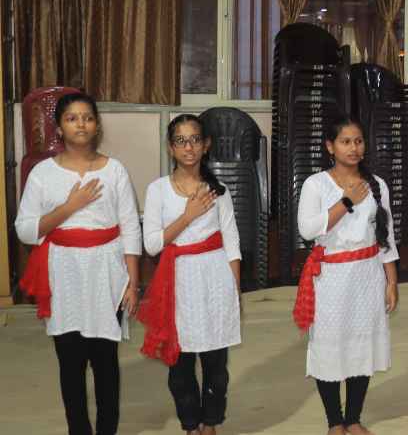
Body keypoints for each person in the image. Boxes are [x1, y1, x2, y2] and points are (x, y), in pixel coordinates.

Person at [16, 92, 143, 435]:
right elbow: (25, 229)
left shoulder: (115, 170)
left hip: (108, 274)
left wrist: (133, 283)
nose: (81, 124)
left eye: (87, 117)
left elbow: (130, 228)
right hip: (64, 275)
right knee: (70, 364)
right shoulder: (43, 173)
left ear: (97, 125)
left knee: (106, 364)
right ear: (59, 127)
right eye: (72, 118)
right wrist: (68, 208)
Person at [293, 116, 399, 435]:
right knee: (330, 345)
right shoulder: (316, 184)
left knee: (361, 346)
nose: (354, 148)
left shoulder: (376, 184)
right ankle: (334, 421)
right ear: (330, 146)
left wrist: (392, 281)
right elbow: (307, 229)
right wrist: (347, 202)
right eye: (345, 142)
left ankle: (353, 418)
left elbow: (386, 236)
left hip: (368, 274)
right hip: (331, 277)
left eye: (358, 141)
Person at [139, 114, 243, 435]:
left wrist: (234, 291)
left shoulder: (218, 191)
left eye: (195, 139)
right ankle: (190, 424)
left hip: (215, 280)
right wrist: (187, 216)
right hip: (177, 283)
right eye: (181, 141)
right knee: (181, 365)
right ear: (171, 147)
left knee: (216, 365)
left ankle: (210, 423)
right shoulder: (158, 190)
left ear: (206, 145)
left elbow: (232, 243)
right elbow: (152, 244)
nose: (189, 147)